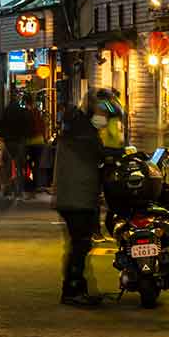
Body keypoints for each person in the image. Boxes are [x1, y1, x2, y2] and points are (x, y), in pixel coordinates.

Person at [53, 97, 103, 304]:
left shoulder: (74, 128)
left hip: (71, 196)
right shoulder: (84, 133)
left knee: (78, 243)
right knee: (80, 244)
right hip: (78, 197)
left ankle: (76, 286)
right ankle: (72, 290)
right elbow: (100, 153)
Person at [0, 94, 31, 197]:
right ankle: (19, 191)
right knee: (19, 167)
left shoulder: (6, 111)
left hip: (8, 141)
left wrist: (3, 137)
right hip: (19, 141)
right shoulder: (21, 112)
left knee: (7, 166)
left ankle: (7, 189)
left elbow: (2, 125)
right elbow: (26, 125)